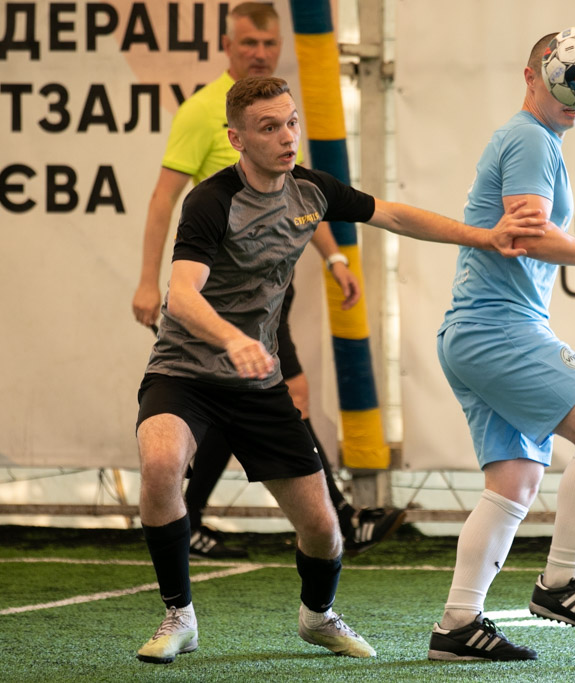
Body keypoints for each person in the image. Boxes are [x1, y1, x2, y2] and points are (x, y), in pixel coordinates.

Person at [133, 75, 546, 664]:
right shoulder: (211, 201)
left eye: (291, 122)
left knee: (325, 530)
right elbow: (181, 294)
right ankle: (179, 615)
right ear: (237, 139)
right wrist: (232, 339)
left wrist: (485, 236)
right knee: (160, 465)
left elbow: (393, 215)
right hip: (184, 373)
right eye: (269, 127)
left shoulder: (311, 190)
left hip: (258, 384)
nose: (287, 136)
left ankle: (318, 616)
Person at [131, 2, 406, 559]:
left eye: (269, 43)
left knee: (259, 395)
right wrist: (147, 282)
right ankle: (332, 518)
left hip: (270, 290)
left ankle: (246, 518)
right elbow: (164, 199)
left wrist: (334, 258)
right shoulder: (203, 112)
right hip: (217, 295)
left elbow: (299, 200)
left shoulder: (279, 116)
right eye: (248, 43)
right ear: (227, 47)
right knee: (260, 393)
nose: (259, 53)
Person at [427, 32, 575, 662]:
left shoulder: (537, 139)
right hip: (498, 329)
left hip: (475, 332)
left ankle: (457, 626)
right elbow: (530, 236)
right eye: (566, 80)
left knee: (515, 482)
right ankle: (562, 581)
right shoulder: (528, 137)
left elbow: (527, 232)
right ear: (531, 76)